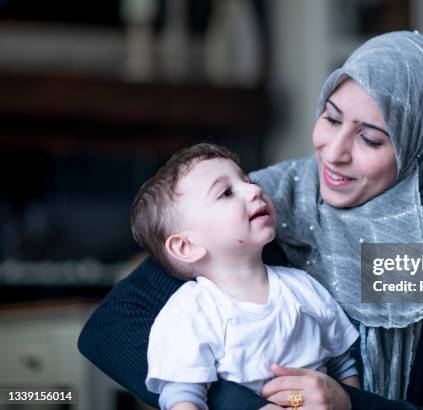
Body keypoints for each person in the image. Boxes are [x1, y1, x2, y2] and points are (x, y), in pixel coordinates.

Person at [79, 31, 423, 409]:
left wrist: (349, 404)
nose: (334, 152)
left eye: (370, 139)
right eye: (330, 117)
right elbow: (111, 330)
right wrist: (252, 404)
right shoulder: (258, 207)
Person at [131, 142, 359, 410]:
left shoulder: (303, 287)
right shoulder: (190, 312)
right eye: (226, 193)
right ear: (186, 246)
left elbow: (342, 366)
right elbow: (182, 395)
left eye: (249, 181)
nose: (255, 190)